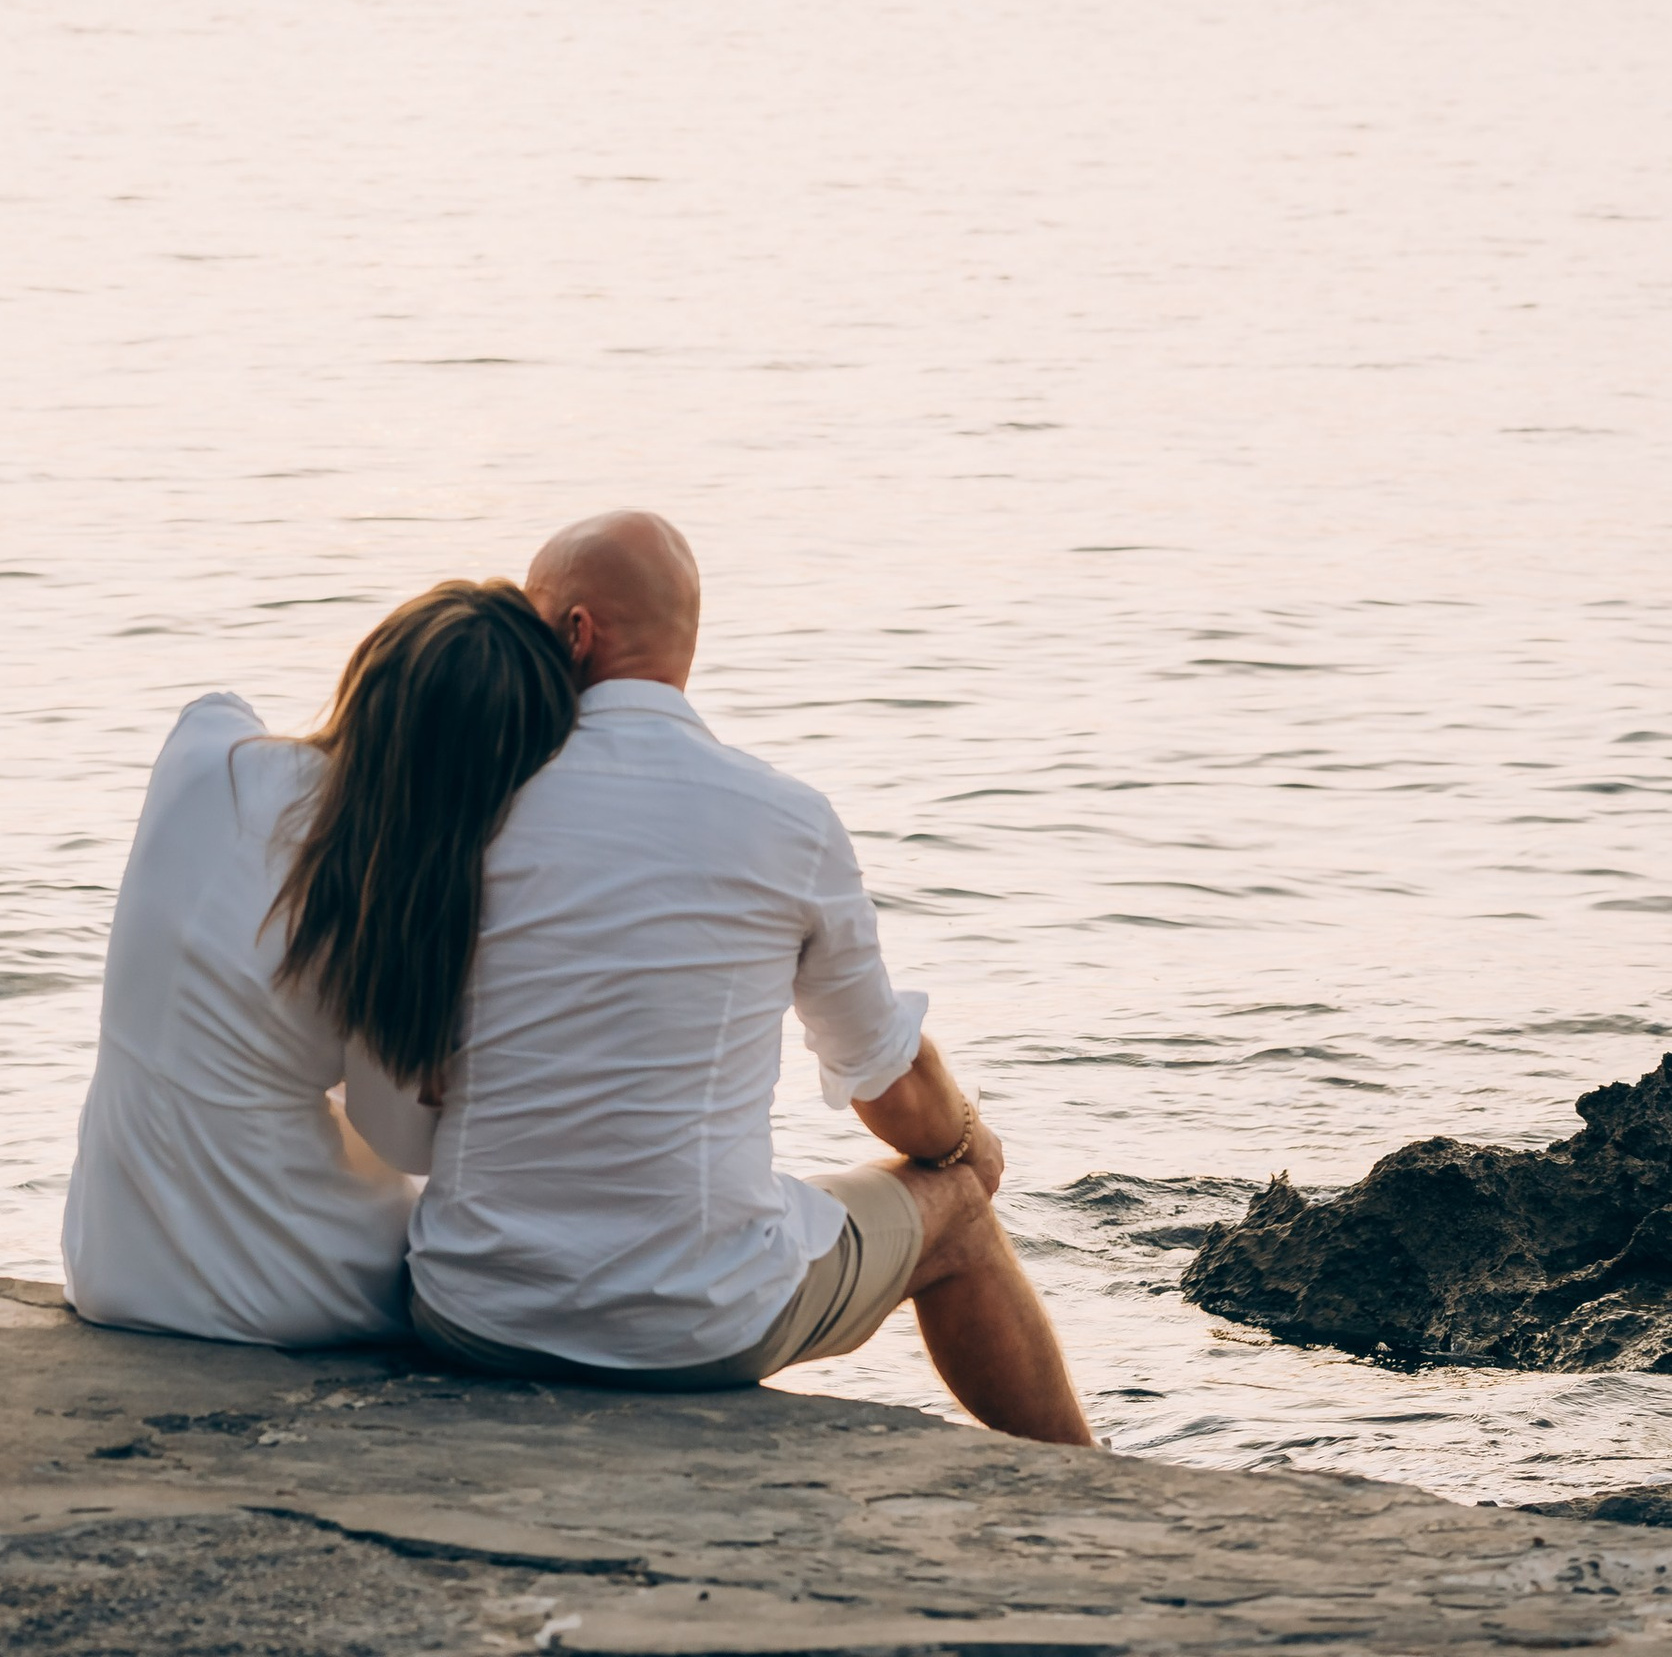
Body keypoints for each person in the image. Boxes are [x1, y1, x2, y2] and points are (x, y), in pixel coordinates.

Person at [405, 510, 1094, 1440]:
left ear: (573, 634)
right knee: (959, 1216)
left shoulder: (463, 801)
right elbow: (892, 1093)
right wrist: (970, 1144)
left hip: (470, 1311)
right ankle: (1091, 1493)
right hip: (688, 1329)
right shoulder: (786, 819)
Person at [62, 577, 576, 1347]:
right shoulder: (390, 900)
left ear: (371, 670)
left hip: (110, 1265)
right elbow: (402, 1142)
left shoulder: (204, 752)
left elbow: (220, 705)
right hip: (286, 1287)